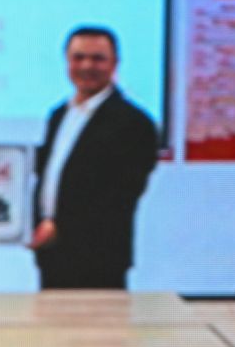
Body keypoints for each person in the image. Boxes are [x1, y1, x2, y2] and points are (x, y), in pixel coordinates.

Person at [29, 26, 159, 291]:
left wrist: (60, 227)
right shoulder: (59, 115)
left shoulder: (134, 123)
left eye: (98, 59)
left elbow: (119, 196)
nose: (87, 66)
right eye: (78, 58)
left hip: (99, 258)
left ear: (114, 64)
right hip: (51, 255)